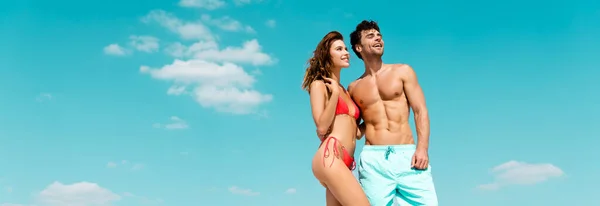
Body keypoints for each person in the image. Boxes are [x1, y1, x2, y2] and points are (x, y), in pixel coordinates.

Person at [348, 20, 439, 205]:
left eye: (379, 35)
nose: (378, 38)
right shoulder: (354, 88)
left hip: (409, 156)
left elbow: (420, 110)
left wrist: (422, 148)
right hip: (374, 159)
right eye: (371, 36)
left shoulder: (402, 71)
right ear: (358, 47)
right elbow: (356, 132)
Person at [301, 31, 370, 206]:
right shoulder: (320, 85)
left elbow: (355, 132)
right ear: (327, 55)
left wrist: (375, 120)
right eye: (339, 49)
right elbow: (322, 127)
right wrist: (334, 95)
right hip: (330, 157)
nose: (346, 52)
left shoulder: (345, 90)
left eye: (346, 49)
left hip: (345, 162)